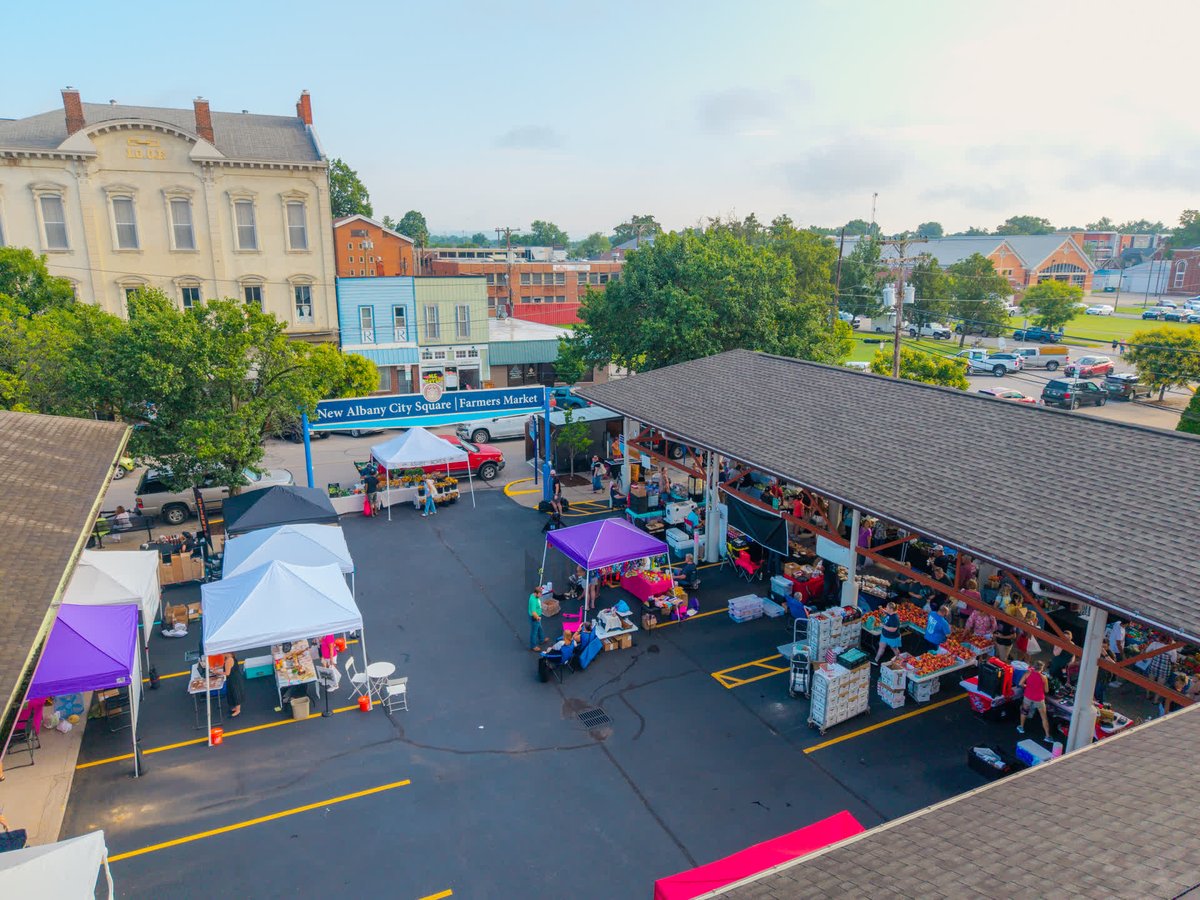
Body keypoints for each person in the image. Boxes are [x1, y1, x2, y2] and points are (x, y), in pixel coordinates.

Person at [1017, 660, 1053, 742]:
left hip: (1028, 696)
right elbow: (1046, 690)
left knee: (1024, 711)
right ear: (1041, 669)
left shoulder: (1028, 674)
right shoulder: (1044, 678)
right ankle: (1047, 736)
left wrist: (1027, 685)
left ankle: (1021, 727)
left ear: (1034, 667)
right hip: (1039, 699)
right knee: (1044, 717)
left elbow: (1020, 684)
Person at [222, 653, 246, 717]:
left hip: (233, 679)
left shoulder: (229, 660)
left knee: (235, 693)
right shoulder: (231, 658)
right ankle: (236, 708)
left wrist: (217, 672)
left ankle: (238, 710)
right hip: (235, 677)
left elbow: (227, 673)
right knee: (234, 692)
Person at [528, 586, 544, 652]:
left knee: (540, 628)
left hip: (538, 617)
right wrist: (537, 617)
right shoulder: (533, 601)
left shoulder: (534, 595)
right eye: (540, 594)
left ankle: (541, 639)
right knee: (534, 632)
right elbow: (533, 612)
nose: (541, 595)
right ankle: (533, 646)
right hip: (535, 618)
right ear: (536, 593)